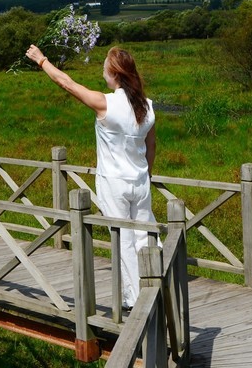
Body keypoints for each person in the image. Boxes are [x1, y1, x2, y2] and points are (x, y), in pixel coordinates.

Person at [25, 44, 156, 309]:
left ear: (115, 74)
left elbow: (67, 83)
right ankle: (155, 287)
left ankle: (135, 301)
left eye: (105, 67)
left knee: (122, 240)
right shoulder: (147, 107)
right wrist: (146, 175)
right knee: (145, 237)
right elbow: (151, 147)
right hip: (140, 181)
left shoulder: (105, 103)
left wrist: (42, 61)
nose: (102, 72)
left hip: (114, 182)